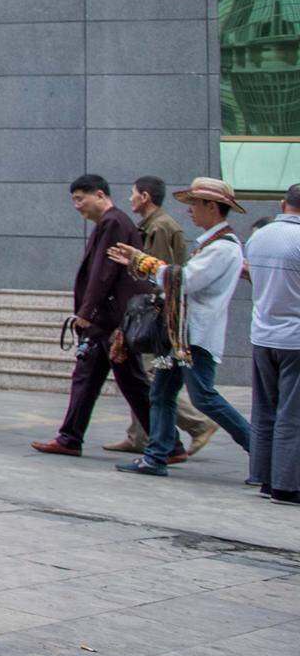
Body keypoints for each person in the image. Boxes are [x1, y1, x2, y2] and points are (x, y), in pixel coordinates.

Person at [104, 177, 253, 478]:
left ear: (212, 206)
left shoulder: (222, 248)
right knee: (161, 393)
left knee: (203, 397)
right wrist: (142, 263)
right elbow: (181, 277)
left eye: (194, 204)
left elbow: (185, 280)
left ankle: (263, 452)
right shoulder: (213, 244)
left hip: (194, 335)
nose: (189, 211)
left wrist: (143, 261)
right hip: (181, 333)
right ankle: (156, 455)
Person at [34, 175, 152, 457]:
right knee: (89, 378)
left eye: (79, 198)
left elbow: (103, 272)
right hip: (108, 320)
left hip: (109, 320)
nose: (76, 206)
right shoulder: (113, 222)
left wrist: (86, 312)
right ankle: (69, 437)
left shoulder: (113, 222)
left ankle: (168, 441)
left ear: (99, 194)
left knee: (130, 382)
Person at [108, 176, 217, 458]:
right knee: (144, 376)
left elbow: (160, 274)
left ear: (145, 196)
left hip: (160, 315)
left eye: (132, 193)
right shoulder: (152, 225)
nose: (129, 198)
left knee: (150, 378)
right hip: (157, 311)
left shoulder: (161, 226)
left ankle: (198, 424)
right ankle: (140, 436)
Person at [245, 184, 300, 504]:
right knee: (292, 413)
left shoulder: (258, 237)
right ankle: (286, 485)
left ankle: (263, 478)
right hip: (294, 337)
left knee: (265, 409)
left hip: (262, 333)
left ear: (283, 204)